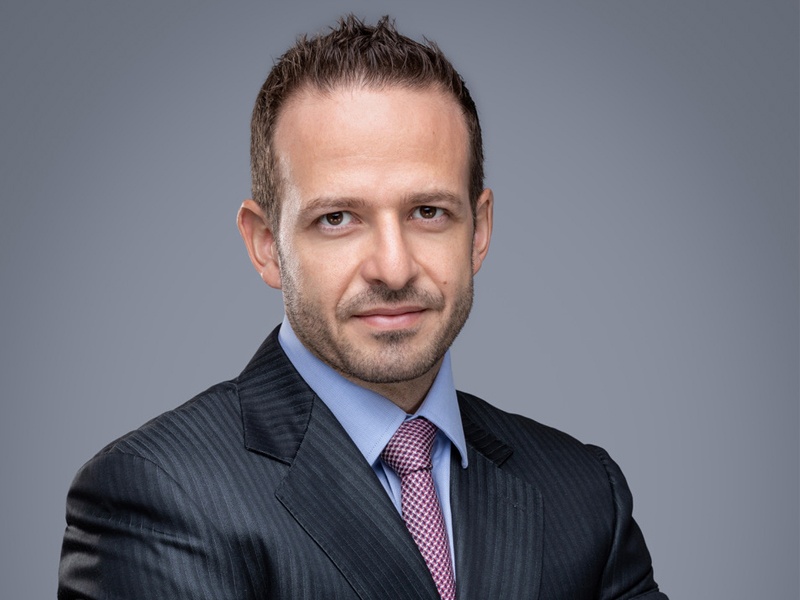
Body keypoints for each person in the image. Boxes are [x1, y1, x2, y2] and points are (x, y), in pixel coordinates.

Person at [58, 15, 667, 600]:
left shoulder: (584, 491)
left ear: (479, 231)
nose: (393, 268)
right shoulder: (156, 494)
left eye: (428, 212)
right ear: (266, 245)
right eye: (337, 219)